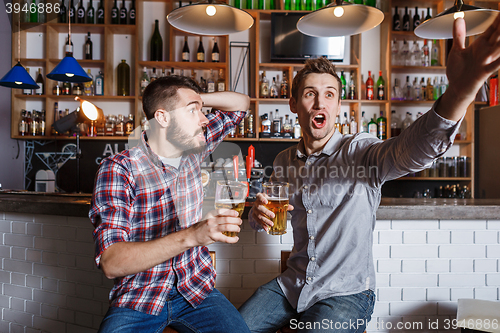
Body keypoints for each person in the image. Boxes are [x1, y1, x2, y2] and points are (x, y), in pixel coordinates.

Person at [239, 15, 500, 333]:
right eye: (309, 93)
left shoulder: (359, 151)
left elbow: (410, 151)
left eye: (330, 94)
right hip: (291, 287)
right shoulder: (282, 160)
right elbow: (264, 220)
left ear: (338, 107)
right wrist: (256, 215)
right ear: (293, 103)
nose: (320, 101)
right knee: (229, 328)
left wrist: (460, 92)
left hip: (346, 294)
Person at [89, 75, 251, 333]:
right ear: (163, 118)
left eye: (201, 111)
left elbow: (241, 103)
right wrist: (193, 235)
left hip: (196, 290)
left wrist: (193, 100)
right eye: (194, 112)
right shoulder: (120, 169)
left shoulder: (196, 144)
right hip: (140, 296)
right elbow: (112, 262)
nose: (205, 119)